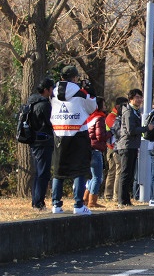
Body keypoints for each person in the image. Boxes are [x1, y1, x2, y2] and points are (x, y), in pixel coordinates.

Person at [49, 65, 98, 215]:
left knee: (58, 170)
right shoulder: (80, 93)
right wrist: (91, 91)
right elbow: (92, 107)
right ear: (75, 77)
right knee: (80, 170)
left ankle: (56, 204)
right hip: (78, 134)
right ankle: (78, 204)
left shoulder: (53, 93)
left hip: (58, 133)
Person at [116, 89, 146, 208]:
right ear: (131, 99)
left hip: (132, 145)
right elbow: (131, 130)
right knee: (125, 173)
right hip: (126, 145)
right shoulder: (128, 112)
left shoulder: (135, 111)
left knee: (130, 173)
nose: (139, 100)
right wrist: (145, 128)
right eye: (137, 97)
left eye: (140, 97)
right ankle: (121, 200)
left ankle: (126, 199)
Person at [28, 77, 54, 211]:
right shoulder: (44, 104)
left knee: (39, 172)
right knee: (43, 173)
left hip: (34, 141)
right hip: (44, 141)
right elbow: (50, 122)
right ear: (46, 90)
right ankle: (39, 202)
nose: (52, 91)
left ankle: (35, 200)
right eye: (51, 89)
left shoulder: (32, 102)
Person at [85, 97, 110, 208]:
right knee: (98, 177)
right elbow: (100, 136)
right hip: (96, 149)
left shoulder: (90, 117)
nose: (105, 106)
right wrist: (110, 133)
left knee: (93, 176)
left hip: (89, 148)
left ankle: (85, 198)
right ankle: (92, 201)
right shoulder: (99, 118)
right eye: (103, 104)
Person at [103, 97, 127, 202]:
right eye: (124, 105)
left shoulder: (116, 116)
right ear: (118, 106)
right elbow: (117, 131)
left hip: (113, 147)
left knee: (113, 172)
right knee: (117, 171)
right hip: (113, 148)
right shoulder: (112, 117)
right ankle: (114, 196)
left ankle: (109, 195)